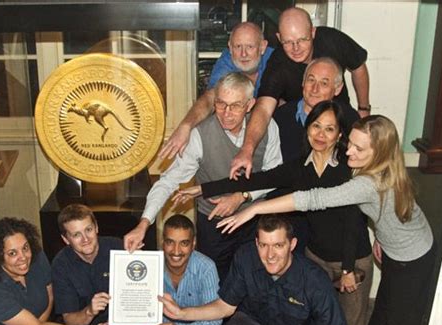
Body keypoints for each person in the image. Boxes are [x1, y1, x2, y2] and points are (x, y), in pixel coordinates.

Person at [218, 115, 437, 325]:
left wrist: (254, 209)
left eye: (358, 148)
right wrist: (382, 235)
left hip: (414, 258)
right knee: (383, 312)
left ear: (378, 153)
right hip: (394, 248)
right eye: (350, 143)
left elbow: (314, 198)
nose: (348, 151)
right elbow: (387, 209)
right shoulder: (384, 165)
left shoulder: (369, 183)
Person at [174, 100, 372, 325]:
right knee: (317, 323)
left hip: (351, 257)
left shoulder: (346, 169)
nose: (321, 134)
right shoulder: (299, 168)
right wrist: (202, 189)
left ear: (339, 135)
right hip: (317, 255)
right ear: (308, 128)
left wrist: (349, 268)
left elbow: (354, 221)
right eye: (316, 126)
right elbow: (253, 181)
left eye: (329, 129)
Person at [124, 72, 282, 282]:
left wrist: (242, 196)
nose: (226, 113)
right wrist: (143, 224)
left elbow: (275, 175)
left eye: (235, 105)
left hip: (254, 220)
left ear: (250, 104)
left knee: (257, 281)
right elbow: (168, 182)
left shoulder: (268, 127)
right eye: (221, 104)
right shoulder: (200, 134)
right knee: (215, 282)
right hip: (213, 224)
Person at [159, 214, 349, 325]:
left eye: (278, 245)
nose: (270, 255)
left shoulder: (315, 280)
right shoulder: (245, 257)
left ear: (292, 244)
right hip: (254, 320)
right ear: (256, 243)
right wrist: (181, 313)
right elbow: (225, 307)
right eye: (264, 245)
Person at [230, 6, 370, 179]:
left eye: (302, 39)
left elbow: (358, 67)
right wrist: (247, 149)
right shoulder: (278, 64)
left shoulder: (333, 40)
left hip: (340, 116)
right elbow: (264, 108)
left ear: (312, 32)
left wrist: (364, 109)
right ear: (279, 38)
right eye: (288, 42)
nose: (295, 48)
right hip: (299, 125)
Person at [158, 21, 273, 160]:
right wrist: (186, 126)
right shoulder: (227, 61)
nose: (243, 54)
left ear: (262, 47)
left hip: (273, 127)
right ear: (230, 48)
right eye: (238, 46)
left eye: (250, 46)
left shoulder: (275, 60)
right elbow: (210, 97)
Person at [51, 204, 142, 325]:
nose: (85, 239)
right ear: (65, 239)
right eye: (76, 234)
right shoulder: (60, 265)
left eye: (88, 230)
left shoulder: (119, 248)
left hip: (116, 324)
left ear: (97, 228)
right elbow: (70, 322)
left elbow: (135, 300)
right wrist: (90, 311)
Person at [135, 214, 221, 325]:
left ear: (193, 244)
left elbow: (215, 318)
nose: (176, 251)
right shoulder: (149, 264)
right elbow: (139, 306)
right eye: (170, 242)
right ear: (162, 242)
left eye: (184, 243)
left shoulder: (207, 268)